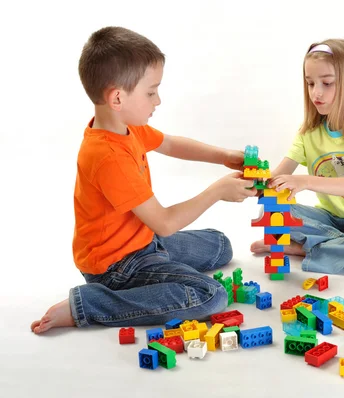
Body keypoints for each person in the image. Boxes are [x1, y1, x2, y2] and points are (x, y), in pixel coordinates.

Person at [31, 26, 256, 334]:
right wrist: (217, 191)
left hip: (142, 240)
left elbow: (172, 144)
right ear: (118, 98)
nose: (158, 100)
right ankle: (88, 304)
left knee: (221, 246)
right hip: (116, 266)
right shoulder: (108, 156)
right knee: (212, 294)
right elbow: (163, 222)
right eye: (151, 92)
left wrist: (223, 155)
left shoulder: (127, 126)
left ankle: (162, 274)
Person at [251, 39, 344, 274]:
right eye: (310, 83)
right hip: (328, 218)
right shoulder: (307, 133)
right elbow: (276, 179)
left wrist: (303, 181)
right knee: (269, 210)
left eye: (327, 83)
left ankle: (301, 249)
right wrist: (253, 180)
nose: (316, 92)